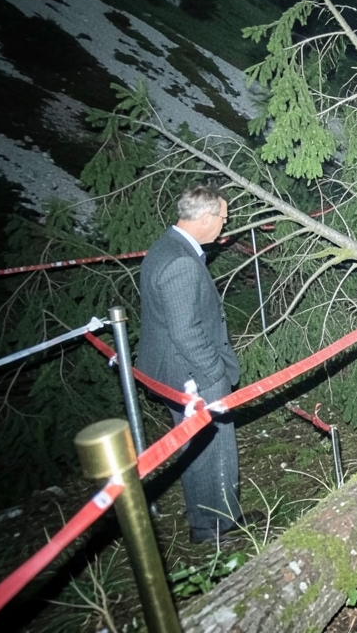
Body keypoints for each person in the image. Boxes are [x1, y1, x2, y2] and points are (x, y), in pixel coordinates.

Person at [138, 184, 250, 544]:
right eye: (223, 217)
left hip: (175, 369)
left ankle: (213, 517)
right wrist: (213, 373)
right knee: (212, 449)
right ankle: (216, 529)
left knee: (196, 447)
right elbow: (186, 332)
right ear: (205, 218)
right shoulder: (181, 263)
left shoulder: (166, 247)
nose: (224, 224)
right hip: (192, 373)